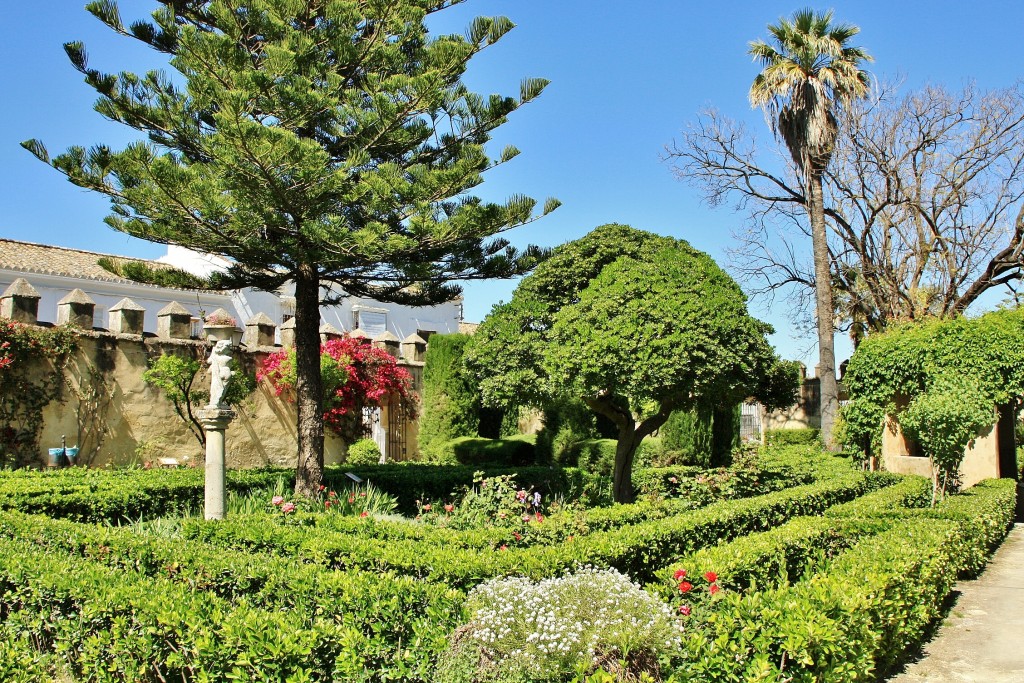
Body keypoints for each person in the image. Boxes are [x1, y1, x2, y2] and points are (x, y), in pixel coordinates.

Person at [207, 339, 234, 408]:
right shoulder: (228, 358)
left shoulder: (216, 357)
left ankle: (217, 402)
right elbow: (230, 365)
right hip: (226, 372)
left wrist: (213, 351)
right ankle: (217, 402)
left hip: (220, 373)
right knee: (222, 389)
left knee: (217, 387)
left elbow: (209, 361)